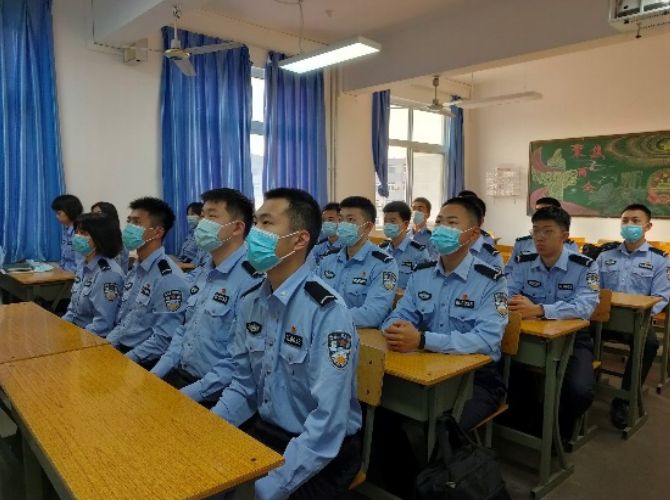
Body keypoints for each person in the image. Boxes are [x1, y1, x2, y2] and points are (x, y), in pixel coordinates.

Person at [211, 188, 361, 500]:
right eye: (256, 223)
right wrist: (204, 428)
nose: (255, 233)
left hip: (322, 451)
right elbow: (243, 387)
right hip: (267, 433)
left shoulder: (327, 312)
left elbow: (327, 422)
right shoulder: (251, 300)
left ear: (299, 239)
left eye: (267, 223)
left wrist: (266, 489)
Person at [375, 197, 508, 498]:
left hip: (476, 380)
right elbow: (398, 316)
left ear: (473, 234)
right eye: (440, 222)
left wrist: (423, 340)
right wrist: (395, 329)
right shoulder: (422, 273)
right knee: (380, 416)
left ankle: (436, 486)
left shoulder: (491, 281)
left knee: (441, 433)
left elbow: (488, 340)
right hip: (425, 371)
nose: (442, 229)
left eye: (452, 223)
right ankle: (410, 489)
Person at [150, 189, 263, 407]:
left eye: (212, 216)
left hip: (215, 394)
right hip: (181, 377)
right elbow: (184, 329)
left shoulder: (253, 280)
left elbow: (238, 361)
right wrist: (157, 372)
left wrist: (186, 396)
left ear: (237, 228)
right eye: (202, 216)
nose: (202, 223)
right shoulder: (205, 270)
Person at [506, 206, 599, 440]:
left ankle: (558, 433)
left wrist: (539, 310)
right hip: (528, 337)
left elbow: (585, 306)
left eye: (547, 231)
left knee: (578, 391)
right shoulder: (523, 263)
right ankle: (525, 420)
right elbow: (505, 294)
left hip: (573, 340)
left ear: (564, 236)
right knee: (503, 372)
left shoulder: (585, 266)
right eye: (535, 230)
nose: (539, 237)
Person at [597, 203, 670, 429]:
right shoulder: (605, 255)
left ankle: (624, 399)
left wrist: (641, 315)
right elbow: (592, 289)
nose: (629, 225)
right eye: (625, 220)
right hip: (604, 319)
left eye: (636, 221)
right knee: (576, 336)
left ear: (648, 226)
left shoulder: (660, 259)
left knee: (649, 344)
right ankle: (583, 386)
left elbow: (661, 297)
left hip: (638, 321)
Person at [107, 197, 189, 370]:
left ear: (158, 232)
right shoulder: (137, 268)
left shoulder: (168, 278)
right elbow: (125, 321)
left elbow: (163, 339)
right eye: (129, 221)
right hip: (123, 350)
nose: (129, 228)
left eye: (137, 222)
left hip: (145, 361)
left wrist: (123, 361)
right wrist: (106, 345)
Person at [315, 196, 398, 328]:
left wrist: (327, 317)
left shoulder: (384, 264)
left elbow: (373, 314)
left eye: (350, 220)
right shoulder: (329, 259)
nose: (343, 225)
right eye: (341, 219)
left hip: (360, 334)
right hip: (322, 330)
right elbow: (310, 297)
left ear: (368, 227)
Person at [62, 213, 125, 337]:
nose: (77, 236)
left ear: (99, 238)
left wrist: (74, 339)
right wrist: (60, 326)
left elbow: (102, 325)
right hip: (76, 330)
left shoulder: (107, 274)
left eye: (83, 233)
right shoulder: (83, 264)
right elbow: (73, 311)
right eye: (77, 232)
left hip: (92, 338)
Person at [505, 197, 578, 276]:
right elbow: (509, 270)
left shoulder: (569, 245)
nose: (540, 215)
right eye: (537, 211)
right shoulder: (522, 243)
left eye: (546, 211)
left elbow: (573, 272)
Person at [379, 200, 430, 289]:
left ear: (405, 224)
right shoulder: (381, 250)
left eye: (392, 221)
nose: (387, 225)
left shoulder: (419, 253)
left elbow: (423, 286)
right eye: (385, 221)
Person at [91, 201, 130, 272]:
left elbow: (123, 268)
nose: (94, 218)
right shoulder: (90, 239)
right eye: (93, 214)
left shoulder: (121, 240)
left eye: (99, 214)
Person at [51, 194, 84, 272]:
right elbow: (64, 258)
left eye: (59, 213)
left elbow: (80, 263)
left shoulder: (80, 232)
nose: (56, 216)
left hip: (74, 274)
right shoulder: (66, 231)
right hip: (64, 272)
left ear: (69, 211)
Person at [306, 202, 342, 270]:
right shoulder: (318, 247)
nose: (326, 223)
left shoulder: (348, 246)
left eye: (330, 220)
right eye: (323, 220)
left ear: (341, 220)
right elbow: (312, 270)